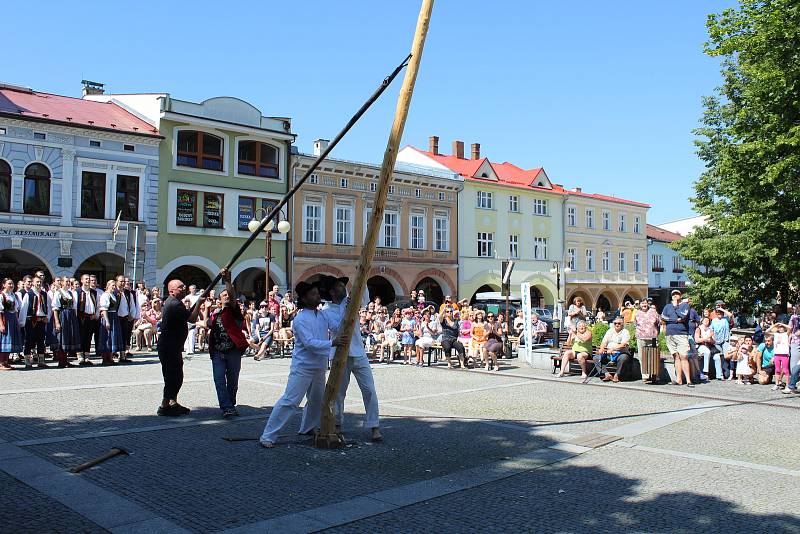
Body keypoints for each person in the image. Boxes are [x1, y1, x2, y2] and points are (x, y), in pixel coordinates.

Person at [259, 282, 345, 447]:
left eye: (317, 293)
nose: (318, 296)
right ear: (304, 298)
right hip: (303, 367)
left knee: (316, 400)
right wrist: (333, 343)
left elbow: (337, 326)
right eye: (313, 294)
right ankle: (268, 435)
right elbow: (309, 343)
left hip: (319, 366)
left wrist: (343, 306)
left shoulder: (323, 315)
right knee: (290, 400)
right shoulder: (300, 319)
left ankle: (307, 428)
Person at [320, 276, 382, 441]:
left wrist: (364, 276)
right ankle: (338, 424)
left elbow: (365, 297)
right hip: (340, 355)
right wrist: (346, 310)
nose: (344, 288)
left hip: (358, 352)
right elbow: (336, 328)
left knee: (369, 389)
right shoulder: (326, 310)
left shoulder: (351, 301)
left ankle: (374, 426)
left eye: (343, 285)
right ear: (332, 292)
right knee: (339, 392)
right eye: (340, 286)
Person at [206, 269, 248, 418]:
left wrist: (228, 281)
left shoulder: (234, 310)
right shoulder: (216, 313)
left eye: (228, 295)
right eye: (224, 295)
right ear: (219, 300)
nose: (227, 297)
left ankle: (230, 403)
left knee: (232, 381)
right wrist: (205, 308)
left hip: (233, 351)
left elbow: (232, 294)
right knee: (218, 380)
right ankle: (226, 407)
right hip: (218, 352)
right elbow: (207, 324)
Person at [157, 278, 202, 416]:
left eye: (184, 286)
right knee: (173, 376)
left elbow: (188, 314)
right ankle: (165, 405)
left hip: (172, 346)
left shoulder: (175, 303)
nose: (184, 288)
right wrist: (199, 303)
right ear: (171, 291)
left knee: (174, 375)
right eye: (180, 287)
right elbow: (192, 319)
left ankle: (172, 402)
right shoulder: (174, 305)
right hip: (169, 347)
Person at [661, 289, 694, 387]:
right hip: (670, 334)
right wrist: (675, 320)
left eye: (677, 294)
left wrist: (676, 307)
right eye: (673, 294)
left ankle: (688, 380)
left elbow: (683, 316)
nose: (675, 296)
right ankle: (679, 379)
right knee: (676, 356)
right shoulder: (667, 306)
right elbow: (663, 317)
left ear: (680, 296)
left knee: (684, 356)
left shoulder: (685, 305)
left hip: (681, 333)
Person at [21, 276, 50, 369]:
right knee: (29, 341)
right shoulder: (28, 294)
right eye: (37, 282)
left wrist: (47, 317)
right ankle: (28, 361)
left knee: (41, 341)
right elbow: (24, 309)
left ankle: (41, 361)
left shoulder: (44, 294)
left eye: (40, 282)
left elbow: (49, 306)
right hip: (31, 320)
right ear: (33, 283)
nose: (38, 284)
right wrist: (22, 322)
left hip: (41, 320)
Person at [51, 279, 81, 368]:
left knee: (68, 337)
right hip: (63, 315)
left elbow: (74, 307)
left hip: (71, 316)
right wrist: (57, 322)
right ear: (61, 283)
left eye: (69, 281)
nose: (68, 283)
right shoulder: (58, 293)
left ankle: (66, 360)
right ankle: (61, 361)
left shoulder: (71, 293)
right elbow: (55, 308)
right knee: (62, 338)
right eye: (66, 281)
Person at [596, 318, 632, 383]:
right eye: (615, 323)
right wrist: (602, 349)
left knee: (623, 358)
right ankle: (607, 374)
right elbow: (604, 342)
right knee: (596, 358)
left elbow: (623, 345)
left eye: (619, 323)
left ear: (622, 324)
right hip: (609, 353)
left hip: (620, 353)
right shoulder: (610, 331)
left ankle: (617, 375)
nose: (617, 325)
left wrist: (612, 349)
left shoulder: (625, 332)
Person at [98, 280, 124, 366]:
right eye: (112, 285)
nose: (113, 287)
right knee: (107, 337)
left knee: (112, 337)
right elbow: (104, 309)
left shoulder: (113, 295)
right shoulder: (105, 295)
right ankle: (105, 358)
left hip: (114, 316)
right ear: (108, 286)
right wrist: (107, 321)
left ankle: (110, 357)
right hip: (108, 317)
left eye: (114, 285)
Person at [635, 299, 661, 383]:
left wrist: (657, 333)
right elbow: (635, 324)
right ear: (640, 305)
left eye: (645, 303)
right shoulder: (637, 313)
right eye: (642, 303)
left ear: (648, 304)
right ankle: (645, 376)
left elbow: (659, 322)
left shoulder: (653, 311)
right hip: (641, 337)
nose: (644, 305)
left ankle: (654, 375)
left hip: (653, 337)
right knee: (642, 357)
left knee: (653, 356)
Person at [77, 274, 99, 365]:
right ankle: (80, 356)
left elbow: (98, 305)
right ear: (81, 280)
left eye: (89, 279)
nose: (88, 280)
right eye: (86, 279)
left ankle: (87, 356)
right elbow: (75, 307)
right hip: (81, 317)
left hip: (91, 318)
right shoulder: (78, 292)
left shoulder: (94, 292)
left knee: (88, 337)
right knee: (81, 337)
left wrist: (96, 314)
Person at [0, 278, 22, 370]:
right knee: (4, 341)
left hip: (12, 319)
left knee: (10, 340)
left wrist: (17, 321)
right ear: (4, 285)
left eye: (12, 283)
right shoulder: (1, 296)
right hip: (5, 319)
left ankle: (6, 362)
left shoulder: (13, 295)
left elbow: (16, 310)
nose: (11, 285)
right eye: (9, 284)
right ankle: (1, 362)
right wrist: (1, 324)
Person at [767, 323, 791, 390]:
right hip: (777, 354)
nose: (780, 328)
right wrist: (775, 325)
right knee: (777, 370)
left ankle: (787, 385)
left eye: (781, 327)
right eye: (779, 327)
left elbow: (790, 328)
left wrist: (782, 324)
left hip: (784, 354)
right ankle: (777, 384)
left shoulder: (786, 334)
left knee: (786, 370)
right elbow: (767, 331)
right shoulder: (776, 334)